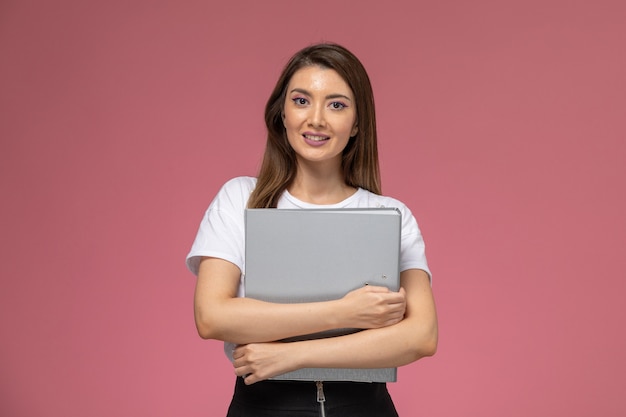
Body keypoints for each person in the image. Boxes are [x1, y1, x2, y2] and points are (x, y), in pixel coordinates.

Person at [186, 43, 438, 417]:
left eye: (336, 104)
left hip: (365, 407)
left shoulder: (389, 214)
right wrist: (347, 312)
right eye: (302, 101)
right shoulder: (241, 199)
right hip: (263, 407)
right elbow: (212, 316)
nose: (316, 119)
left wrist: (289, 355)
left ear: (357, 124)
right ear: (281, 114)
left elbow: (421, 336)